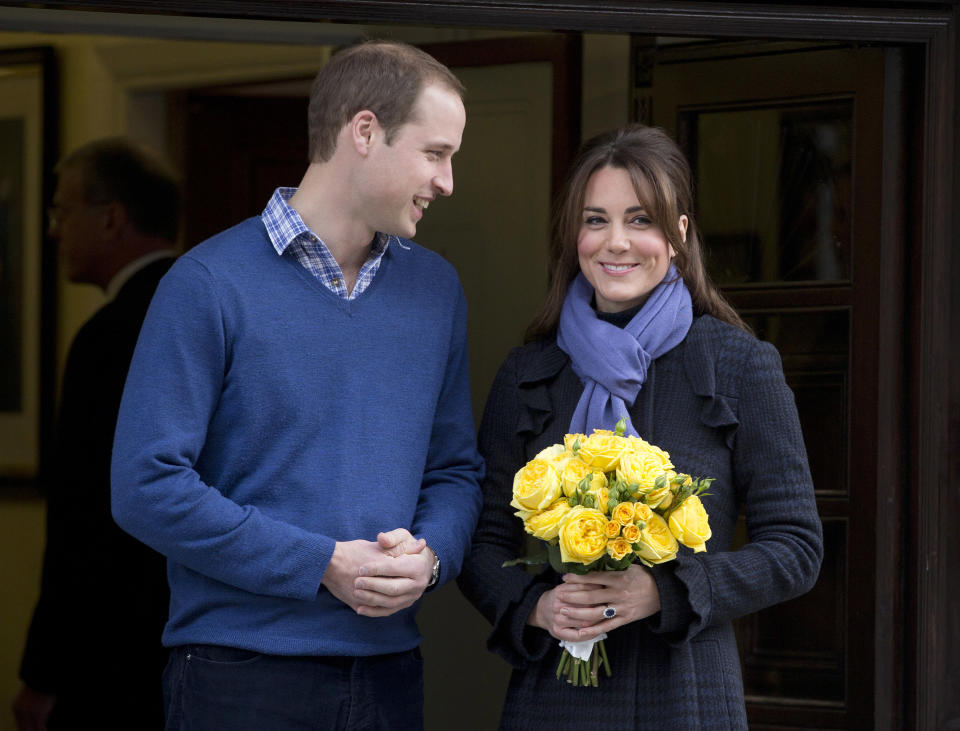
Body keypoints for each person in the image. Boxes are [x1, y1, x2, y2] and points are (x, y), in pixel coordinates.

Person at [110, 40, 483, 730]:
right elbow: (145, 486)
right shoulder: (207, 283)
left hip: (390, 674)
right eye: (436, 153)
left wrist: (430, 557)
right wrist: (320, 562)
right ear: (365, 132)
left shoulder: (437, 291)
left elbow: (456, 469)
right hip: (238, 674)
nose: (448, 180)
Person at [457, 123, 823, 729]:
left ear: (679, 234)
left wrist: (665, 592)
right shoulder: (530, 372)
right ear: (573, 235)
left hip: (686, 695)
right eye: (595, 220)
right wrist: (536, 607)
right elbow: (481, 540)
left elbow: (796, 548)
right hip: (554, 699)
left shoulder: (739, 365)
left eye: (641, 220)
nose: (617, 242)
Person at [14, 137, 180, 730]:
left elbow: (82, 516)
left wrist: (43, 671)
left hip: (113, 650)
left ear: (111, 217)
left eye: (62, 211)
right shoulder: (215, 308)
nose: (54, 231)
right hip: (205, 634)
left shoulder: (109, 336)